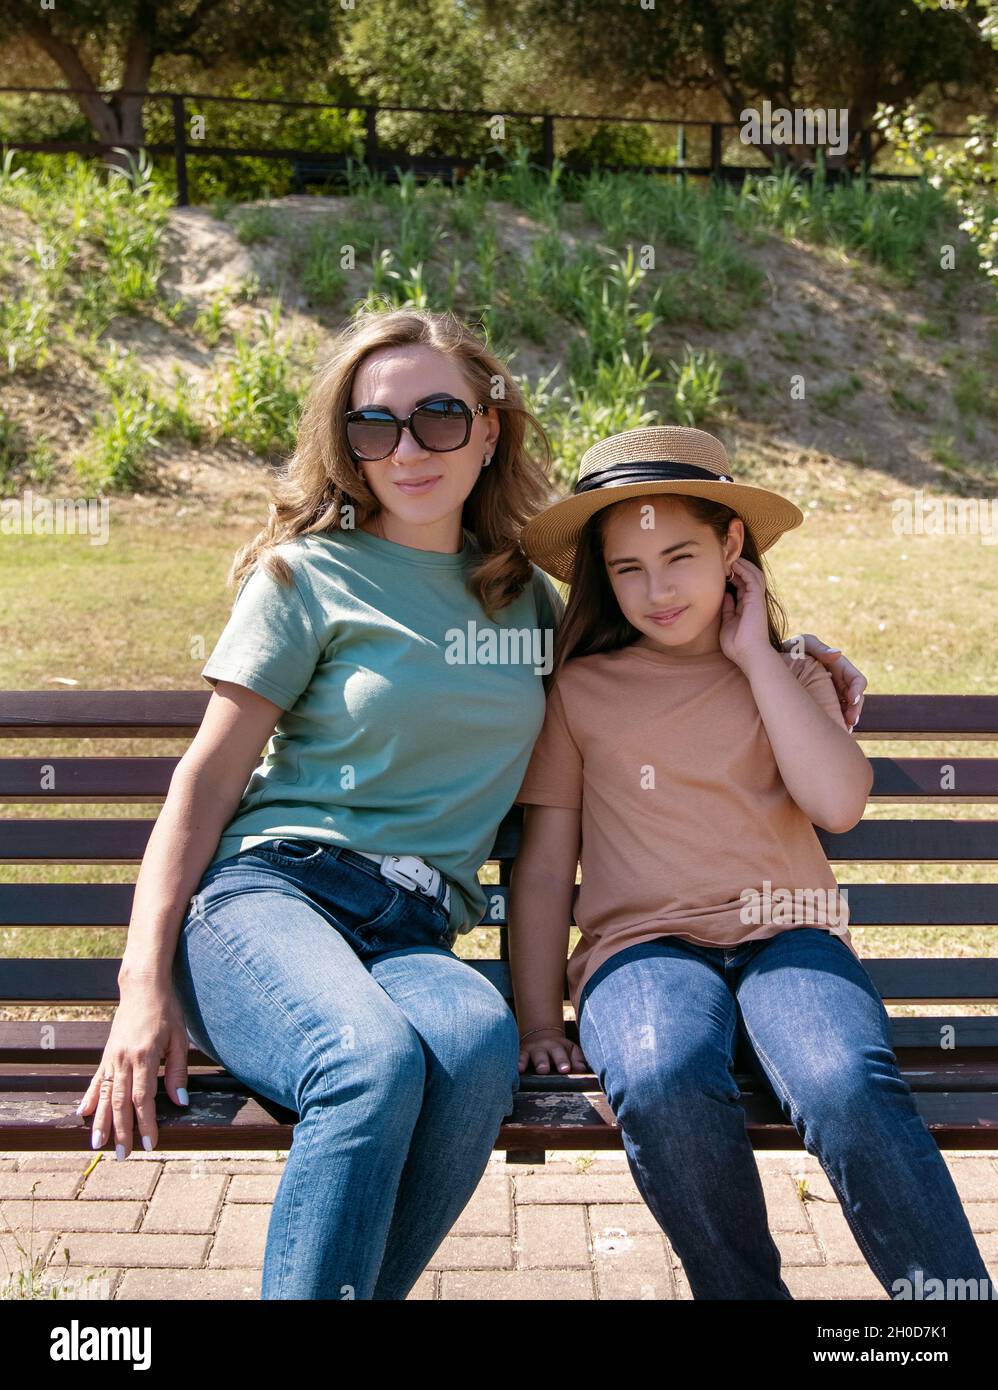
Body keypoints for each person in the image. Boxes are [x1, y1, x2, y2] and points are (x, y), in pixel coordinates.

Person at [74, 310, 869, 1301]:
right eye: (375, 426)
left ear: (489, 431)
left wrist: (799, 657)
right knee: (365, 1064)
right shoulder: (304, 578)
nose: (407, 449)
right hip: (270, 900)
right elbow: (204, 784)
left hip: (412, 929)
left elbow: (671, 645)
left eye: (439, 416)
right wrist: (140, 988)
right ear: (347, 443)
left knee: (473, 1048)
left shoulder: (525, 601)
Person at [509, 423, 993, 1301]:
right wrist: (540, 1019)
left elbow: (838, 803)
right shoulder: (581, 691)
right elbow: (546, 864)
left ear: (734, 547)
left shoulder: (790, 673)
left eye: (682, 557)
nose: (656, 590)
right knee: (659, 1077)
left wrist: (758, 659)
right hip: (642, 951)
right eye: (627, 569)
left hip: (790, 939)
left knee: (842, 1078)